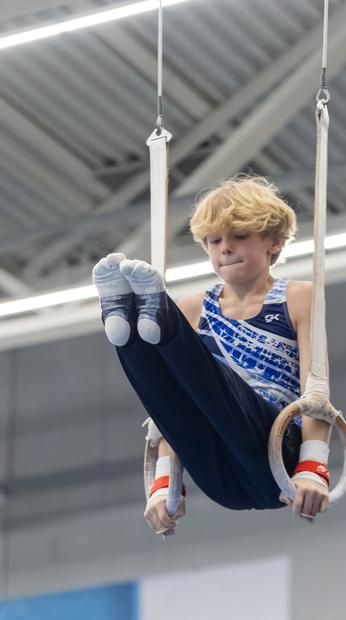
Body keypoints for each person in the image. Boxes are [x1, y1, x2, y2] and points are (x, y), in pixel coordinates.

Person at [92, 175, 331, 536]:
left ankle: (157, 318)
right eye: (214, 240)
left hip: (277, 452)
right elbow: (172, 412)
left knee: (209, 380)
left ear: (274, 242)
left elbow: (316, 389)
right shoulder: (194, 307)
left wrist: (314, 467)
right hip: (219, 475)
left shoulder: (299, 297)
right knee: (173, 394)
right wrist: (163, 486)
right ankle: (126, 332)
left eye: (239, 236)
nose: (225, 248)